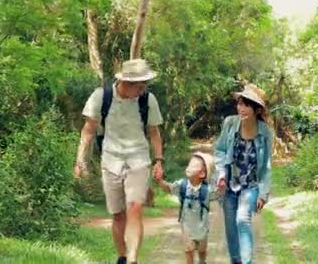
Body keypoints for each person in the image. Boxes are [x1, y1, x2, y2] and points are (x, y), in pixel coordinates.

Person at [75, 59, 164, 264]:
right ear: (127, 83)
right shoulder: (102, 97)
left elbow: (154, 133)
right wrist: (81, 160)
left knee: (135, 207)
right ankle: (123, 256)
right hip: (111, 159)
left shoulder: (148, 100)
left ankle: (133, 258)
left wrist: (158, 160)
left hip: (138, 159)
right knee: (118, 214)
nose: (143, 90)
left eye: (144, 86)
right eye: (140, 86)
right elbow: (88, 130)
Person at [214, 84, 273, 264]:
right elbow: (220, 150)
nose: (241, 108)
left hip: (251, 185)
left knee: (242, 220)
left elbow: (266, 167)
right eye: (239, 104)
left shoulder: (265, 133)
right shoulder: (230, 123)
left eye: (246, 105)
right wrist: (222, 174)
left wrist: (263, 193)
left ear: (256, 109)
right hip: (230, 184)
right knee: (231, 228)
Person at [154, 152, 219, 264]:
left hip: (202, 227)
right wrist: (159, 181)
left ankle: (202, 261)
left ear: (202, 174)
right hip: (187, 225)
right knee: (188, 250)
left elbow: (218, 193)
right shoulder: (182, 185)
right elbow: (169, 188)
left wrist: (222, 186)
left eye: (194, 166)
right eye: (190, 164)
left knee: (202, 250)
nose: (189, 167)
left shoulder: (207, 190)